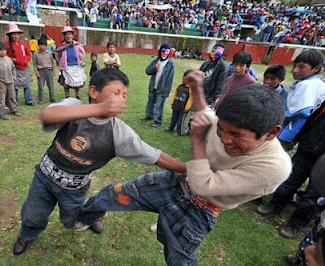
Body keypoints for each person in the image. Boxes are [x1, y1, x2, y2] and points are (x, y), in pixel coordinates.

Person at [76, 73, 292, 265]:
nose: (225, 139)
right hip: (176, 182)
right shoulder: (231, 124)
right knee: (115, 193)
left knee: (179, 258)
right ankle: (85, 217)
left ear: (271, 133)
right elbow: (205, 118)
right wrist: (197, 89)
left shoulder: (274, 167)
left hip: (199, 211)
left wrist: (197, 141)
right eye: (222, 130)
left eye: (236, 135)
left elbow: (204, 185)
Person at [12, 68, 186, 255]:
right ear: (93, 92)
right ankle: (27, 234)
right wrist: (99, 108)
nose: (121, 99)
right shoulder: (74, 106)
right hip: (43, 178)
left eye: (125, 96)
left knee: (71, 221)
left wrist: (187, 169)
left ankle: (92, 214)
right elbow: (48, 116)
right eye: (116, 93)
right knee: (33, 214)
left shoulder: (118, 132)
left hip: (73, 189)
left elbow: (154, 155)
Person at [257, 96, 325, 239]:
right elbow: (313, 119)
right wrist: (301, 137)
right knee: (289, 180)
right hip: (307, 149)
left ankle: (295, 224)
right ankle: (275, 205)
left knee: (312, 196)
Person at [277, 50, 325, 151]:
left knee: (278, 151)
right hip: (304, 131)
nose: (295, 70)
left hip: (292, 129)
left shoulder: (308, 84)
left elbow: (302, 111)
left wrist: (283, 116)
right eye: (294, 66)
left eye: (301, 67)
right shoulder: (317, 82)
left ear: (317, 68)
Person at [141, 43, 175, 127]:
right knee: (150, 102)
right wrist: (154, 68)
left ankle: (157, 121)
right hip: (153, 86)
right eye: (163, 51)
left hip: (162, 88)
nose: (164, 53)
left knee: (159, 105)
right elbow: (147, 71)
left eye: (167, 51)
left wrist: (166, 91)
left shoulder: (170, 64)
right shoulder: (155, 61)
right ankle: (149, 115)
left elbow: (170, 79)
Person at [0, 41, 20, 120]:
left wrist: (13, 77)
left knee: (12, 96)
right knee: (0, 98)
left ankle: (13, 109)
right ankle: (0, 112)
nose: (3, 52)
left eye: (4, 50)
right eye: (0, 50)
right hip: (1, 82)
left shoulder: (9, 59)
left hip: (10, 81)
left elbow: (13, 69)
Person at [5, 23, 35, 106]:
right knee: (15, 85)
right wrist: (14, 59)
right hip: (15, 68)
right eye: (14, 34)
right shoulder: (7, 45)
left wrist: (26, 60)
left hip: (25, 67)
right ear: (10, 35)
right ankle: (15, 101)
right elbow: (5, 55)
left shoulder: (23, 44)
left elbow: (29, 54)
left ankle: (29, 99)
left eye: (17, 34)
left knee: (27, 84)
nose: (16, 36)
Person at [55, 26, 86, 100]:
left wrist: (81, 57)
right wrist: (60, 62)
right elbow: (57, 55)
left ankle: (77, 95)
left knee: (77, 81)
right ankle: (67, 96)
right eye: (67, 34)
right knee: (66, 82)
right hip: (67, 66)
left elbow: (83, 53)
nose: (68, 36)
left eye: (70, 34)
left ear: (72, 35)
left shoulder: (77, 45)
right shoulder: (62, 46)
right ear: (64, 36)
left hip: (76, 66)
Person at [165, 70, 193, 136]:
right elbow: (175, 93)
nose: (184, 79)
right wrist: (173, 102)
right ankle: (171, 128)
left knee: (181, 120)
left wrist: (187, 107)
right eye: (184, 77)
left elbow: (191, 98)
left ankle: (179, 132)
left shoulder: (191, 88)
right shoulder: (180, 85)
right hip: (176, 105)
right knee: (173, 118)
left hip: (184, 108)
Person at [33, 38, 56, 104]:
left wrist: (53, 71)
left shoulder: (49, 54)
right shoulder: (36, 53)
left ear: (46, 46)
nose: (42, 47)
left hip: (49, 70)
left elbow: (52, 63)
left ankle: (52, 98)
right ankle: (40, 99)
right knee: (40, 86)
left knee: (51, 86)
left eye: (44, 45)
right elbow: (34, 64)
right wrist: (36, 72)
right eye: (41, 45)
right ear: (38, 45)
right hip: (40, 71)